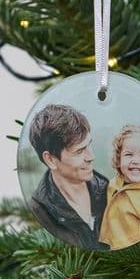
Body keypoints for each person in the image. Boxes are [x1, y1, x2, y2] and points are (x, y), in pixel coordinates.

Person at [28, 104, 109, 250]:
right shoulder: (39, 212)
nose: (91, 157)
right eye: (79, 151)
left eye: (89, 145)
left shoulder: (110, 192)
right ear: (50, 160)